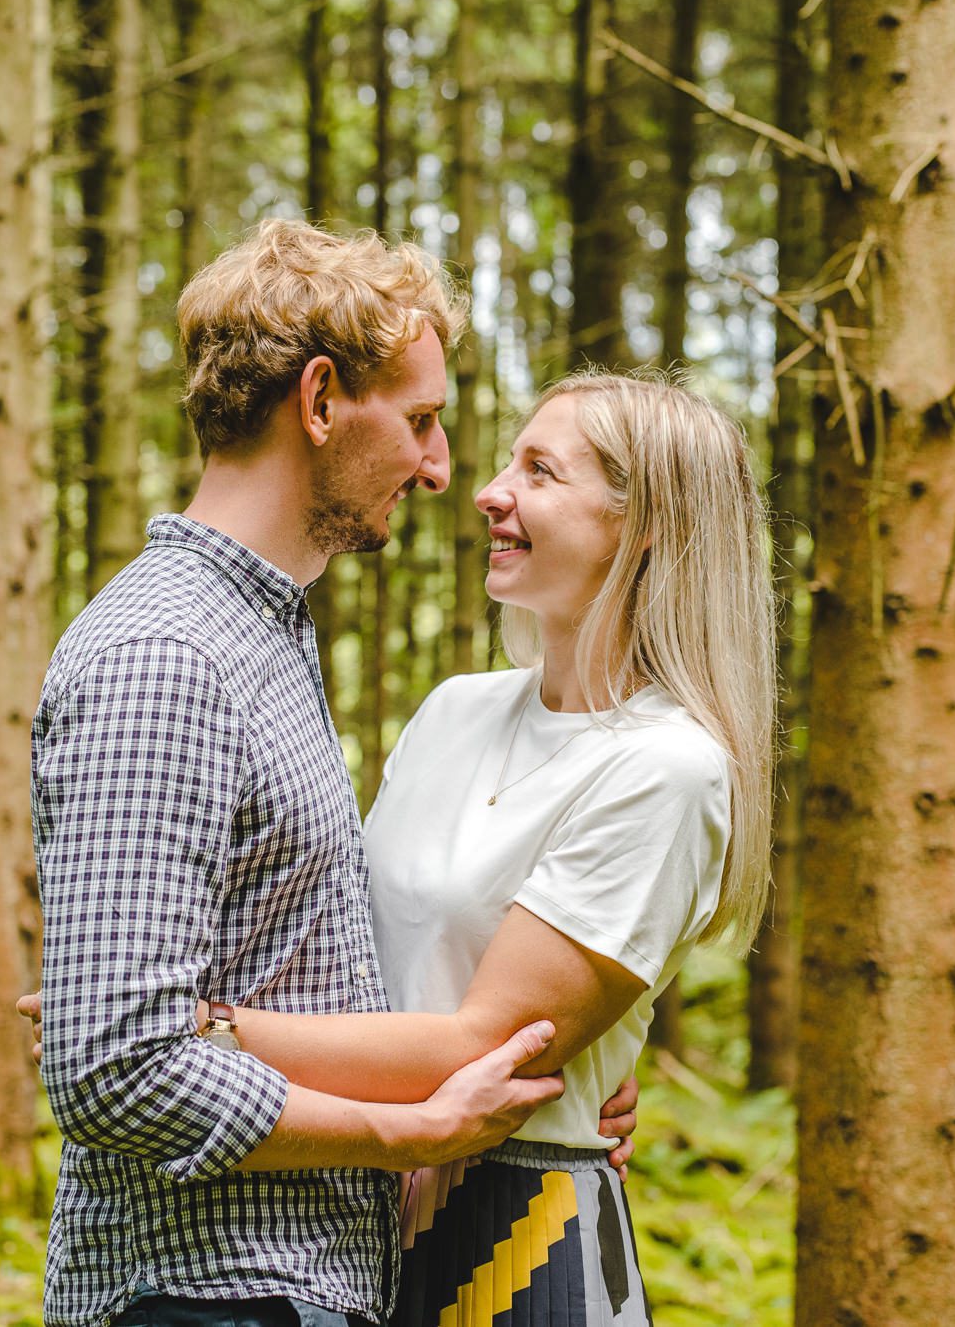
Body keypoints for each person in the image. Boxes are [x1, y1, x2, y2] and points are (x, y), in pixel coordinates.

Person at [38, 372, 777, 1325]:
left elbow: (485, 1046)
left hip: (515, 1235)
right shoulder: (454, 710)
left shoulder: (668, 766)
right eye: (509, 457)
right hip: (357, 1213)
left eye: (540, 471)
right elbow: (355, 953)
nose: (485, 487)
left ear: (644, 529)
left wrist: (187, 1029)